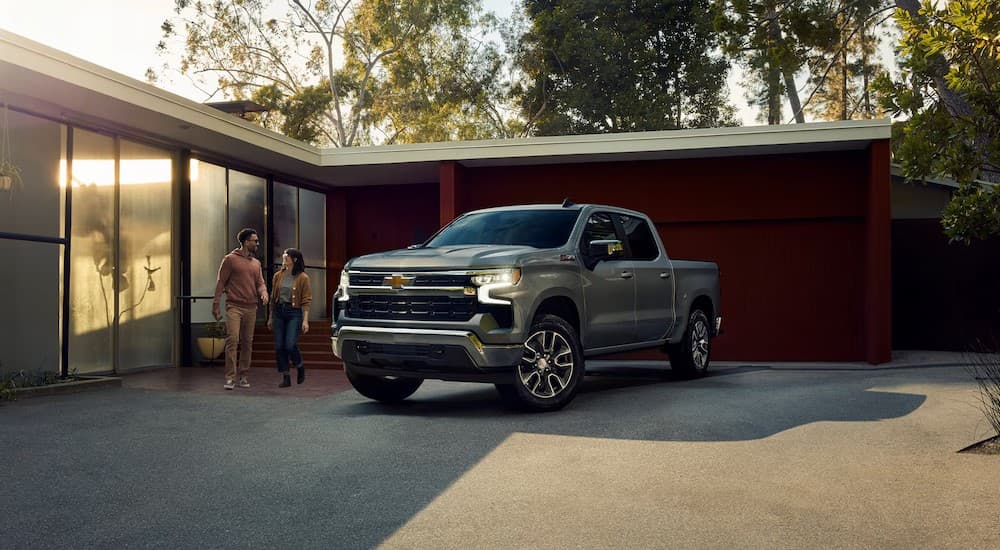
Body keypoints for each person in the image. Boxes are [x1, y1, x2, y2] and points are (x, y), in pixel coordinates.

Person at [213, 228, 268, 390]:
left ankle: (243, 376)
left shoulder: (256, 263)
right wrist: (216, 304)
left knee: (247, 342)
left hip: (251, 307)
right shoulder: (230, 259)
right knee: (233, 339)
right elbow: (221, 282)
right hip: (234, 306)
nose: (257, 243)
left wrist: (264, 292)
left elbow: (260, 283)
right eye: (254, 241)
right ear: (245, 242)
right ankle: (230, 377)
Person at [267, 248, 311, 387]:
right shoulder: (277, 276)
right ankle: (286, 377)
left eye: (287, 256)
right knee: (279, 346)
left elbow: (306, 300)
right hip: (279, 312)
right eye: (284, 255)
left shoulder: (303, 277)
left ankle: (300, 366)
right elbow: (273, 298)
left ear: (294, 259)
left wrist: (305, 320)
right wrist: (270, 317)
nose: (284, 257)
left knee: (290, 345)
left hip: (294, 313)